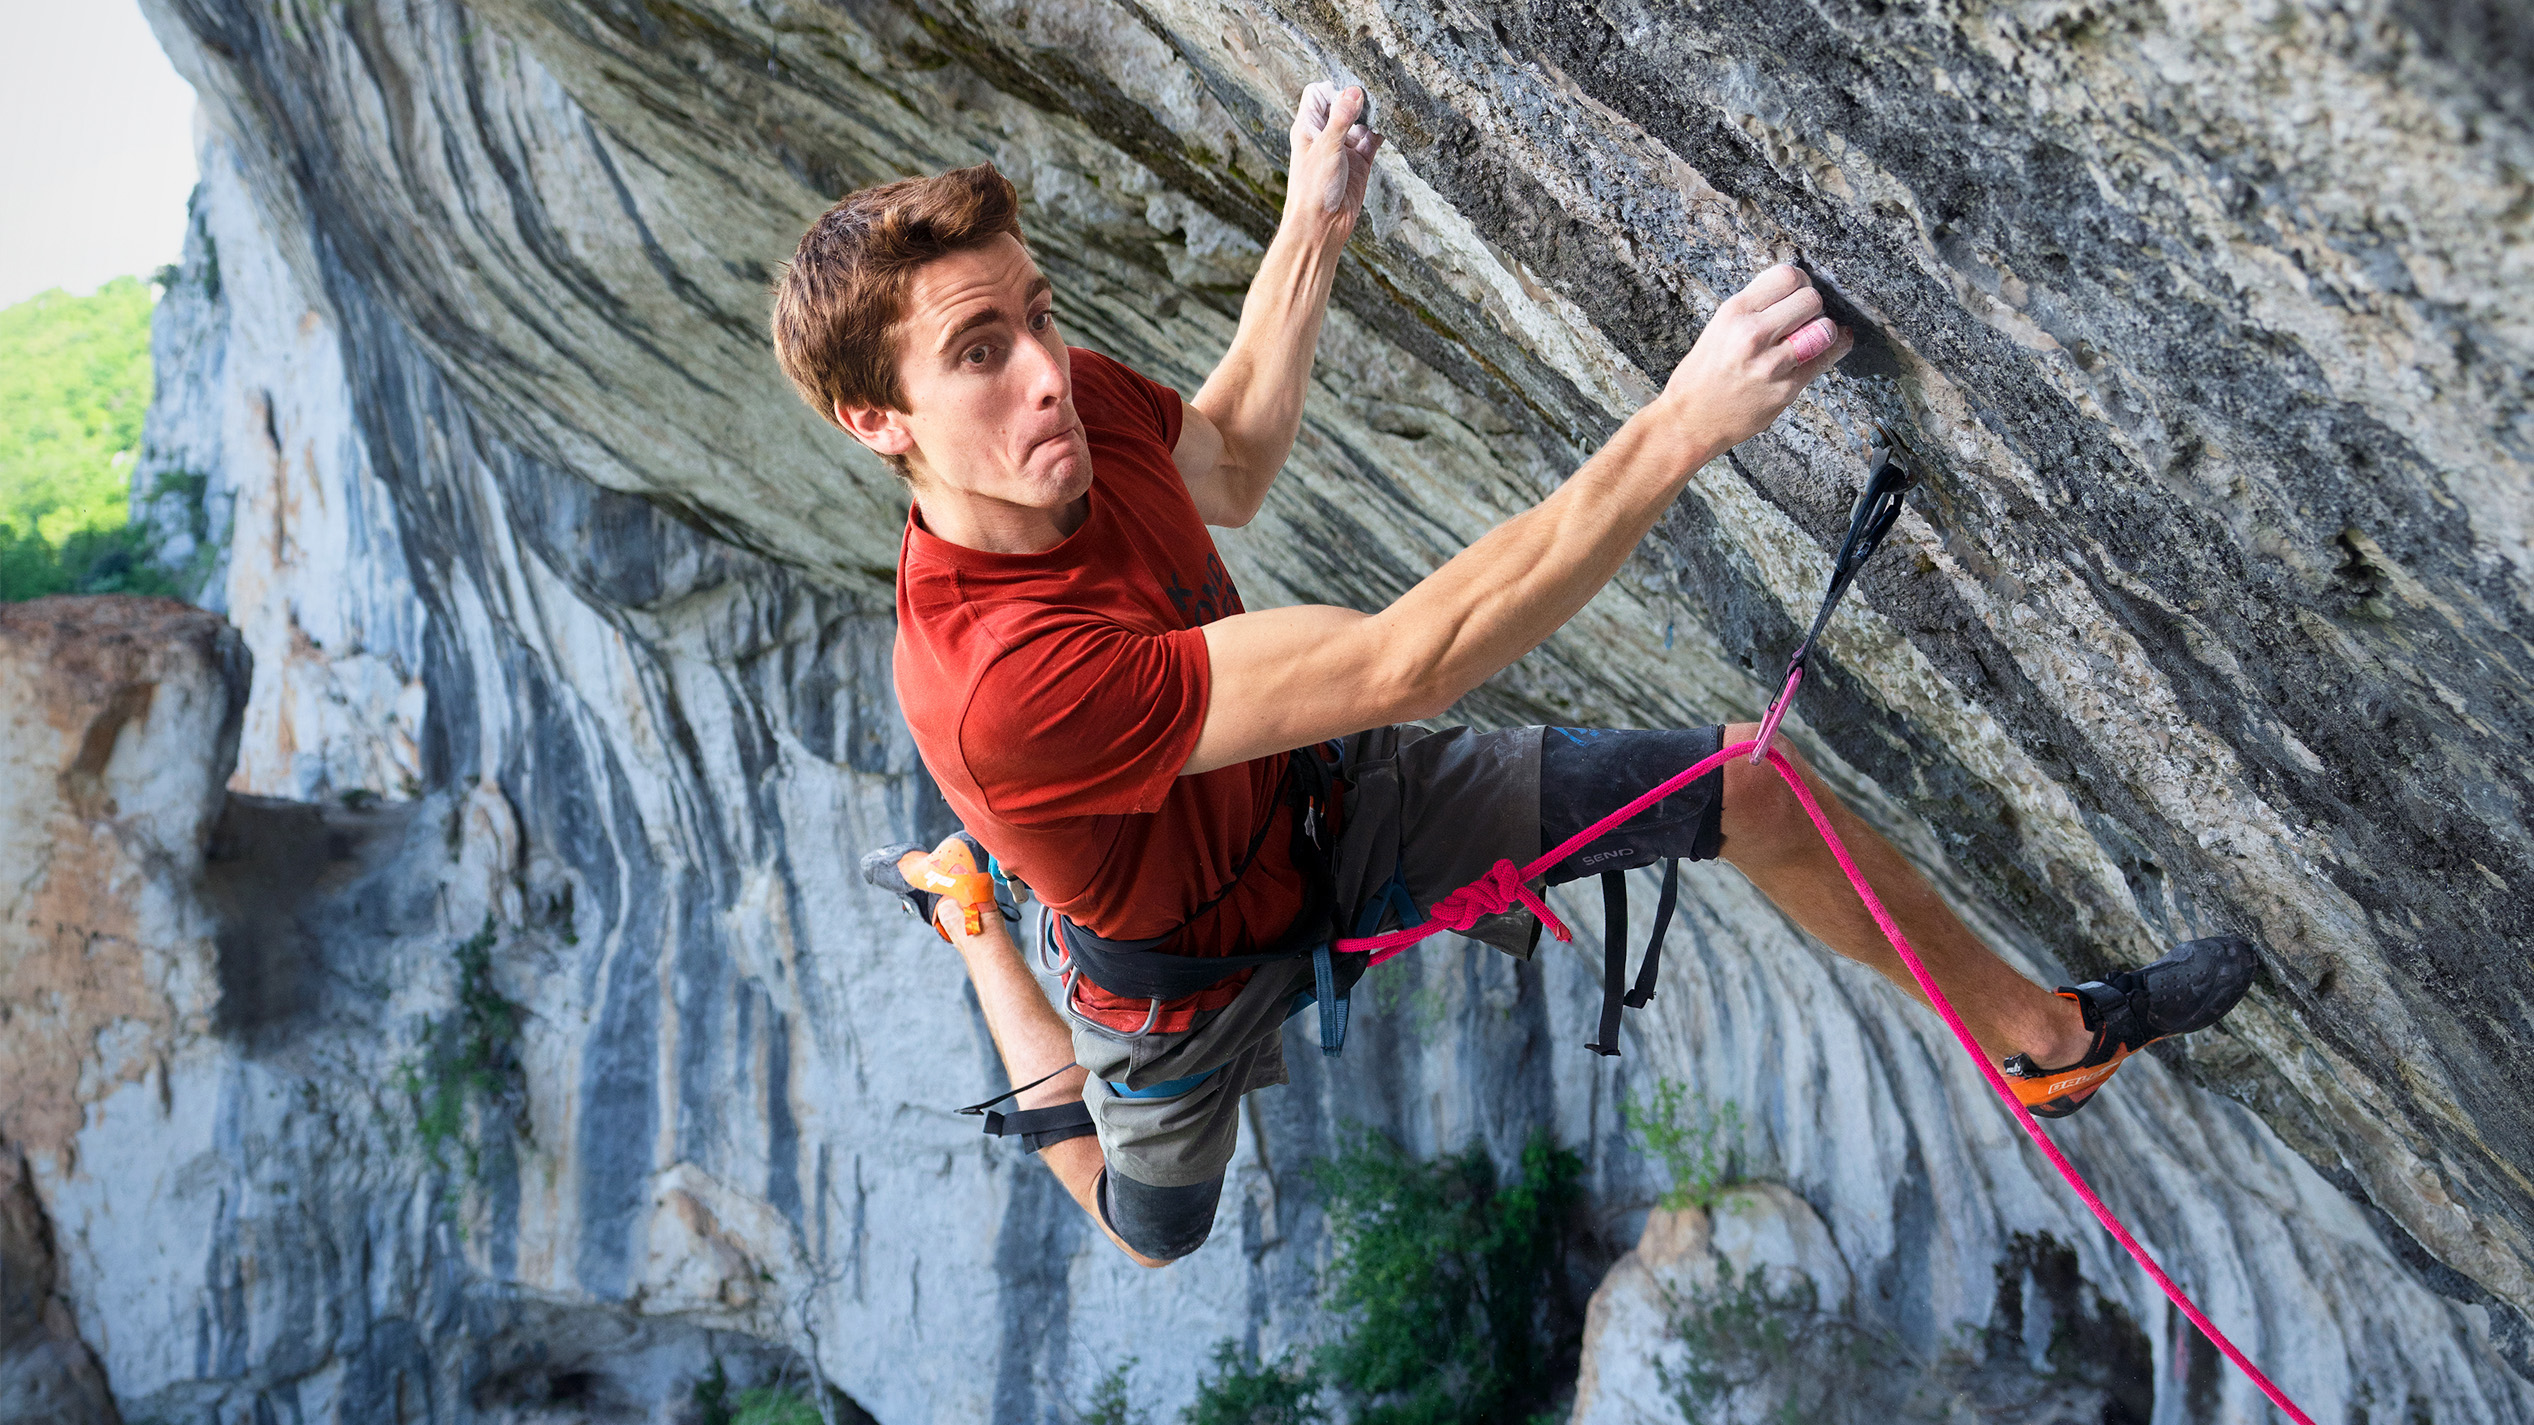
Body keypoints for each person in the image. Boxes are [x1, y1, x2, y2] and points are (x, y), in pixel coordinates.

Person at [771, 83, 2256, 1267]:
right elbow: (1408, 657)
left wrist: (1312, 229)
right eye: (979, 348)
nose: (1040, 364)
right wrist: (1678, 423)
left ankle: (2044, 1043)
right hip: (1178, 983)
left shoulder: (1069, 401)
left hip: (1317, 808)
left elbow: (1222, 459)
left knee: (1747, 782)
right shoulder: (1002, 679)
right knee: (1153, 1229)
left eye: (1035, 309)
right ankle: (976, 928)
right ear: (871, 421)